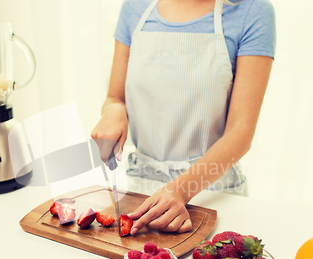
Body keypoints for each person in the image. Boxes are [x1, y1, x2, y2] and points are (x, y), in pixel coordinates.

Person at [91, 0, 276, 235]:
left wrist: (180, 190)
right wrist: (113, 112)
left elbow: (241, 130)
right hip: (142, 188)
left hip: (211, 192)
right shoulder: (135, 7)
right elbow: (115, 98)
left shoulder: (252, 11)